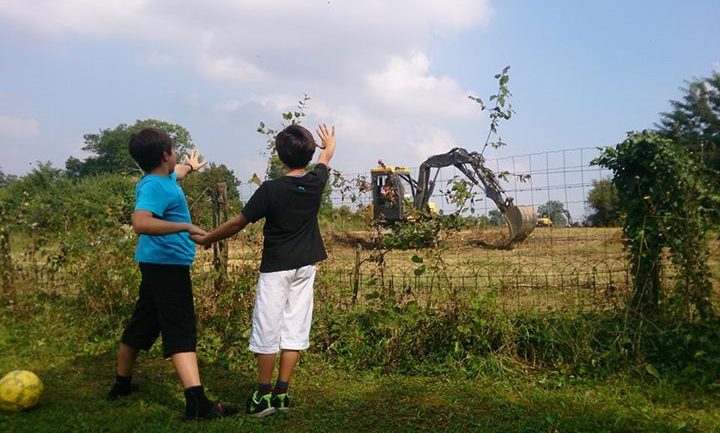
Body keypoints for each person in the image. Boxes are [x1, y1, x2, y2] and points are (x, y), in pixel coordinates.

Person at [191, 123, 336, 417]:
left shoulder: (269, 190)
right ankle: (282, 394)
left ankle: (262, 396)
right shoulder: (316, 182)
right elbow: (326, 158)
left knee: (267, 328)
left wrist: (208, 238)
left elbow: (237, 223)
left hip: (276, 269)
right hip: (305, 267)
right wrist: (328, 144)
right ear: (308, 155)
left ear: (279, 156)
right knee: (295, 328)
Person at [106, 127, 237, 420]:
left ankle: (121, 384)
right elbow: (141, 222)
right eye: (174, 151)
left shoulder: (163, 177)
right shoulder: (156, 186)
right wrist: (186, 227)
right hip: (166, 266)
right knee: (180, 328)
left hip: (158, 264)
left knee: (143, 322)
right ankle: (197, 404)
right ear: (165, 155)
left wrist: (190, 166)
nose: (176, 155)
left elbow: (177, 171)